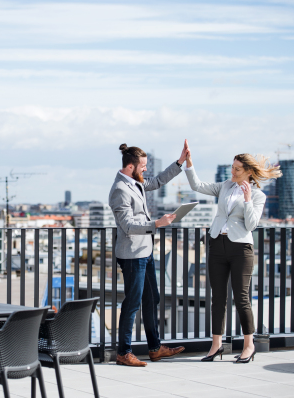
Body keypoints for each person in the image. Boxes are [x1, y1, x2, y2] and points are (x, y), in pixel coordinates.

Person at [183, 142, 282, 363]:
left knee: (242, 298)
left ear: (248, 171)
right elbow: (198, 186)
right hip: (217, 244)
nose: (233, 171)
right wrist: (189, 164)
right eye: (232, 167)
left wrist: (247, 200)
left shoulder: (258, 196)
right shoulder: (225, 186)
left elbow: (251, 225)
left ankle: (249, 346)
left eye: (237, 169)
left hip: (241, 249)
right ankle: (216, 346)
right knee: (217, 298)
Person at [109, 141, 189, 367]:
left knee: (152, 298)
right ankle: (123, 352)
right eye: (143, 166)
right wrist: (156, 224)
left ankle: (155, 348)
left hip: (145, 251)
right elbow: (127, 225)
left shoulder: (136, 183)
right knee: (132, 303)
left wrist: (180, 162)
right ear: (130, 167)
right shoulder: (119, 190)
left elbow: (158, 180)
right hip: (132, 255)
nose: (146, 169)